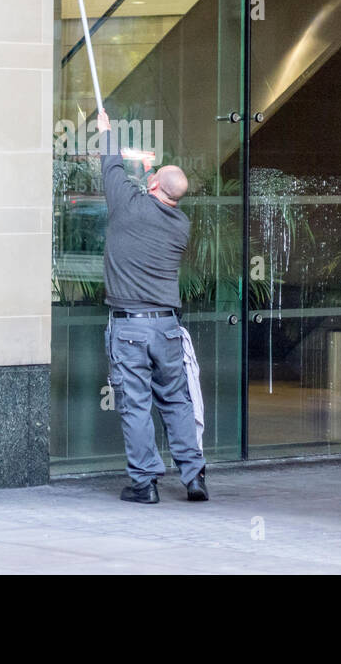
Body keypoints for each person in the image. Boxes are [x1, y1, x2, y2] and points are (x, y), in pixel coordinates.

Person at [97, 108, 207, 504]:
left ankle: (145, 484)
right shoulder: (180, 225)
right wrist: (149, 173)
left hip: (129, 327)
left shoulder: (129, 205)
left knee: (137, 405)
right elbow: (138, 184)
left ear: (155, 183)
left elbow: (110, 168)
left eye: (154, 174)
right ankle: (194, 477)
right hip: (166, 328)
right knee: (176, 399)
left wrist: (106, 132)